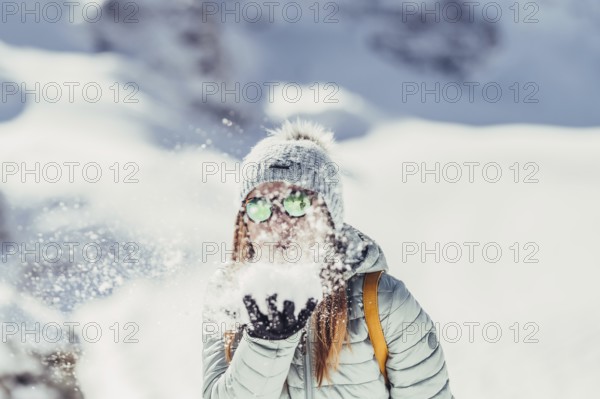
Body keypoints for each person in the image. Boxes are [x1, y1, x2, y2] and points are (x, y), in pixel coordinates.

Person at [202, 119, 454, 399]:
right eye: (259, 207)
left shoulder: (384, 301)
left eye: (296, 203)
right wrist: (267, 342)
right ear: (244, 224)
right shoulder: (228, 298)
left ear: (329, 216)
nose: (278, 222)